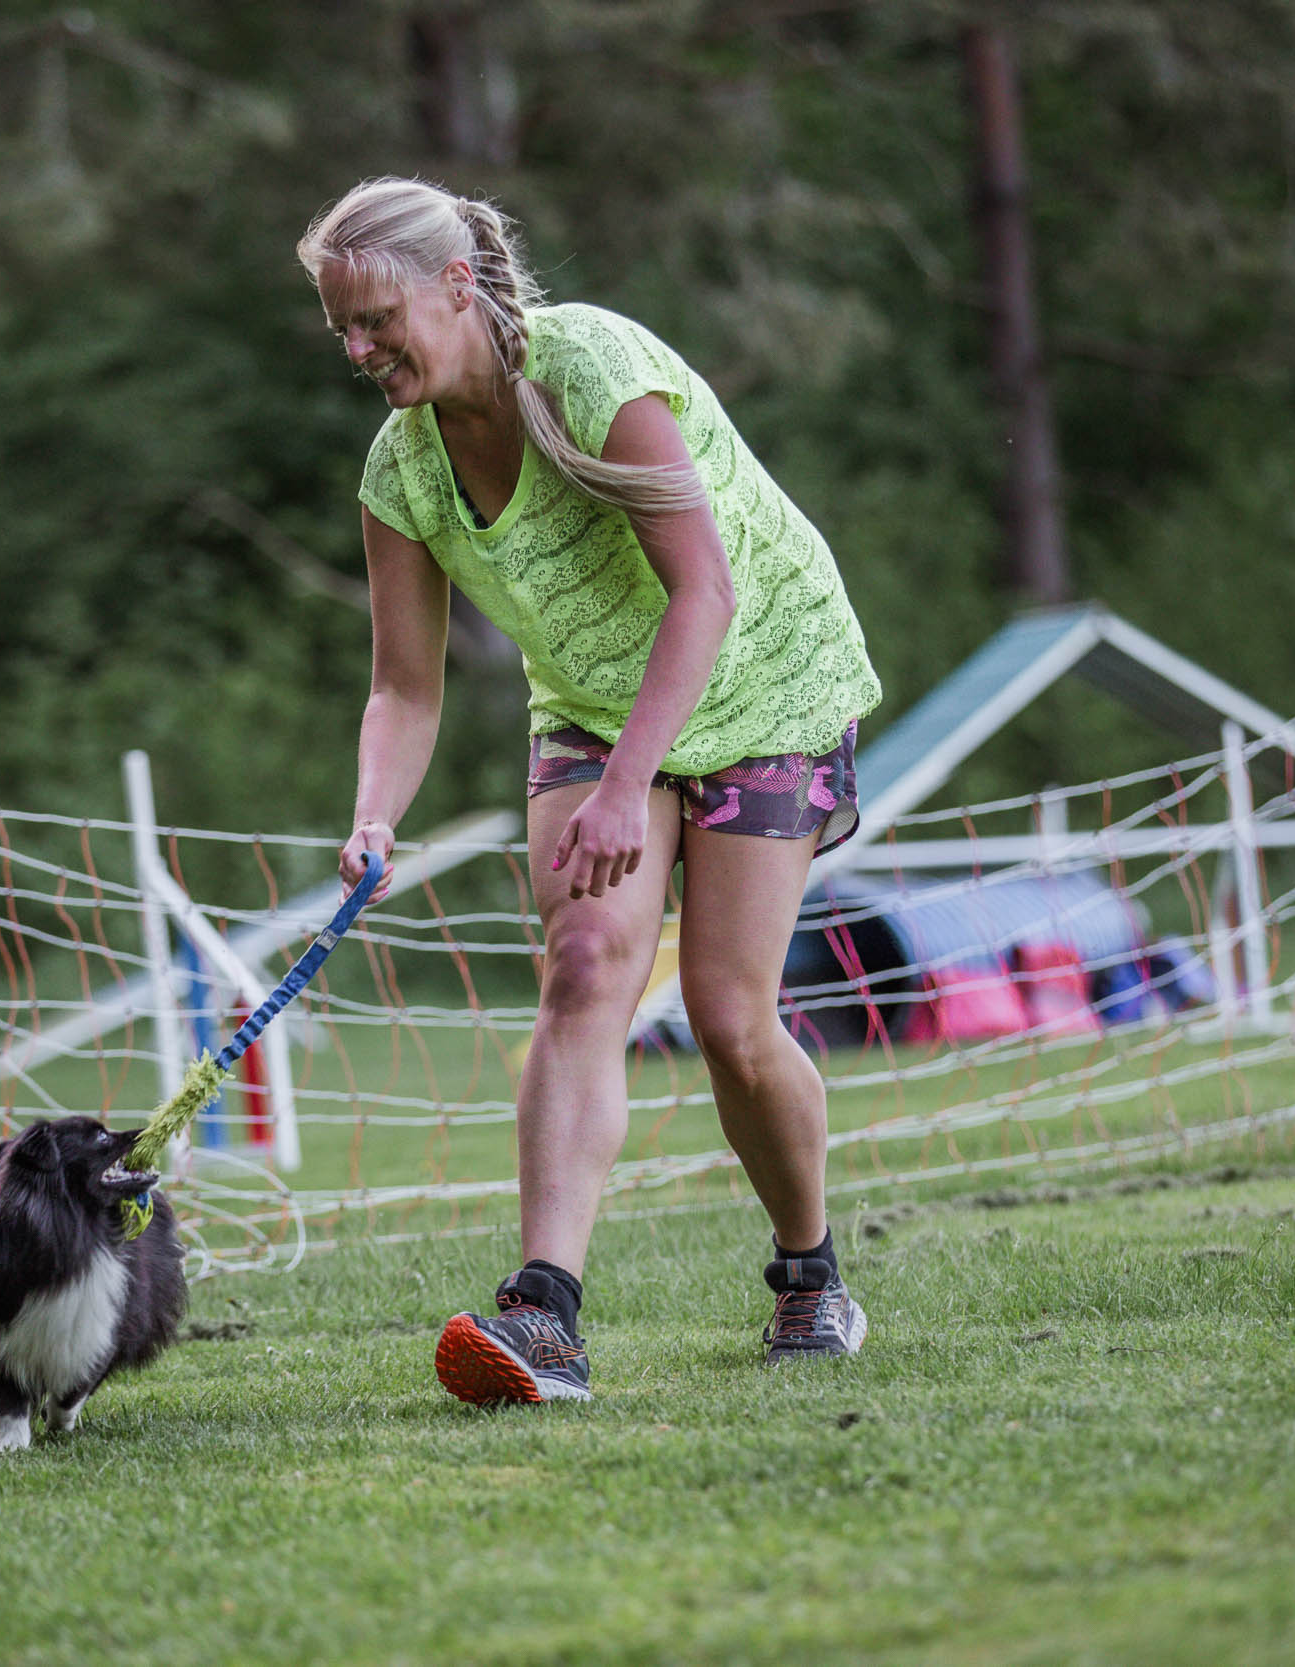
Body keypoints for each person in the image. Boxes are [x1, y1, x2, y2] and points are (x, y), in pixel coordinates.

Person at [299, 177, 883, 1406]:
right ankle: (546, 1315)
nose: (356, 350)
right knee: (580, 966)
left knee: (728, 1015)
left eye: (374, 319)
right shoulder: (400, 469)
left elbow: (704, 594)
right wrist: (372, 816)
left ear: (455, 287)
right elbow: (403, 690)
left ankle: (809, 1270)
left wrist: (629, 789)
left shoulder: (590, 369)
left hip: (762, 683)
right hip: (591, 705)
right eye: (338, 328)